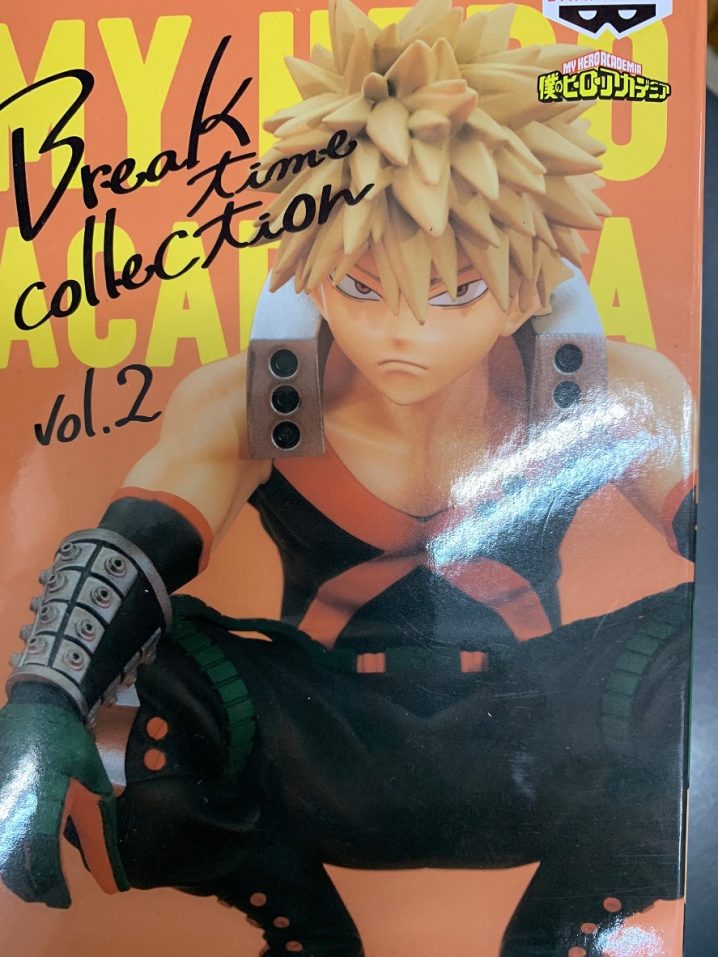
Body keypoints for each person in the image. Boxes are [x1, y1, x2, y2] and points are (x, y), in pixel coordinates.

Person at [0, 1, 695, 955]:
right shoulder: (247, 400)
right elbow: (129, 551)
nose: (403, 331)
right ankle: (300, 923)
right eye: (363, 288)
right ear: (314, 273)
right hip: (311, 750)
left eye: (455, 291)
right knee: (125, 674)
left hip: (542, 744)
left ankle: (569, 921)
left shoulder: (610, 390)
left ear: (528, 288)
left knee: (694, 649)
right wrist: (43, 699)